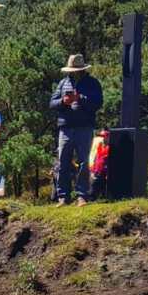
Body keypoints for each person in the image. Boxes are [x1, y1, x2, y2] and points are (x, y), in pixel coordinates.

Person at [50, 55, 103, 206]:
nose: (74, 72)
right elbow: (52, 103)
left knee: (84, 162)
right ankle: (63, 196)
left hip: (84, 127)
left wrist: (80, 98)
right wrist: (63, 101)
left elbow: (98, 103)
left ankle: (82, 196)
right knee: (63, 162)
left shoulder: (92, 83)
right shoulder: (63, 83)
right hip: (65, 127)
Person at [88, 129, 111, 199]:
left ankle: (104, 196)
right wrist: (92, 170)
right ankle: (92, 197)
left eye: (105, 136)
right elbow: (94, 157)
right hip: (97, 170)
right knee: (93, 185)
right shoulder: (98, 145)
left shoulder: (110, 147)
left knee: (104, 187)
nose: (103, 138)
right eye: (102, 136)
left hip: (105, 171)